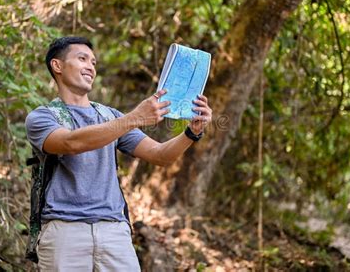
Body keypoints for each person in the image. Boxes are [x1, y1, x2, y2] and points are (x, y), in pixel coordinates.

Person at [25, 36, 212, 271]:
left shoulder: (111, 117)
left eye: (93, 62)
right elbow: (71, 143)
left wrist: (192, 132)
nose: (91, 67)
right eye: (82, 59)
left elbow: (160, 155)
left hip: (114, 230)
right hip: (64, 230)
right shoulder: (42, 117)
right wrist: (133, 118)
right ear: (57, 66)